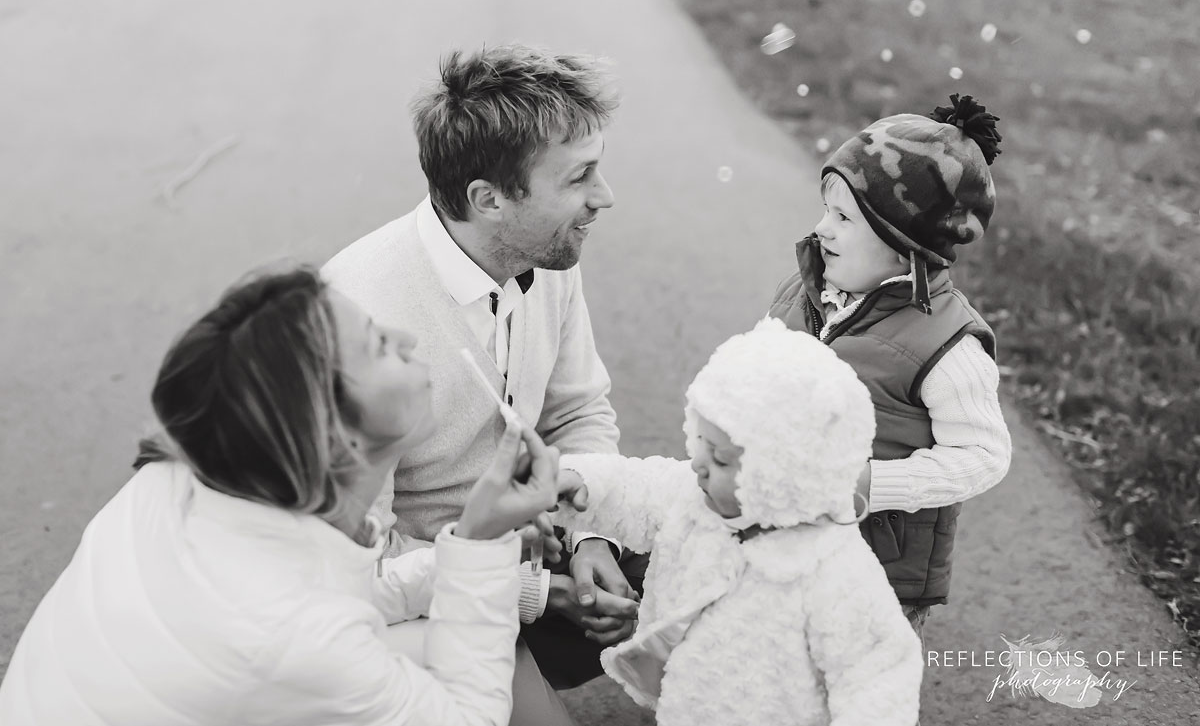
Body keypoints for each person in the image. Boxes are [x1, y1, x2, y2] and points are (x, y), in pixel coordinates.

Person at [0, 266, 571, 726]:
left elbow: (338, 592)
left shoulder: (201, 474)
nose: (408, 338)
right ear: (332, 432)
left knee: (463, 638)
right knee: (478, 658)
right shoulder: (292, 634)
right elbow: (467, 718)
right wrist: (479, 541)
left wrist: (492, 565)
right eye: (377, 345)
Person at [322, 44, 642, 699]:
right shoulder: (358, 319)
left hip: (533, 546)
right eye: (578, 178)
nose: (604, 197)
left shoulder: (546, 252)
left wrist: (591, 538)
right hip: (420, 598)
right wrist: (534, 592)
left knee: (721, 536)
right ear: (488, 199)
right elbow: (355, 571)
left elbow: (579, 411)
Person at [550, 319, 923, 726]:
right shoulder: (696, 498)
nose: (698, 463)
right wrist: (582, 479)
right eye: (699, 441)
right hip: (685, 702)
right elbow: (635, 485)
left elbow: (878, 678)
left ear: (782, 471)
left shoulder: (835, 571)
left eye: (721, 458)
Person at [766, 94, 1013, 650]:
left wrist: (872, 484)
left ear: (906, 245)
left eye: (844, 217)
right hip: (781, 535)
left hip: (879, 567)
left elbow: (983, 456)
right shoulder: (800, 291)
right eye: (826, 209)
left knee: (853, 685)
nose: (821, 229)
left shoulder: (946, 345)